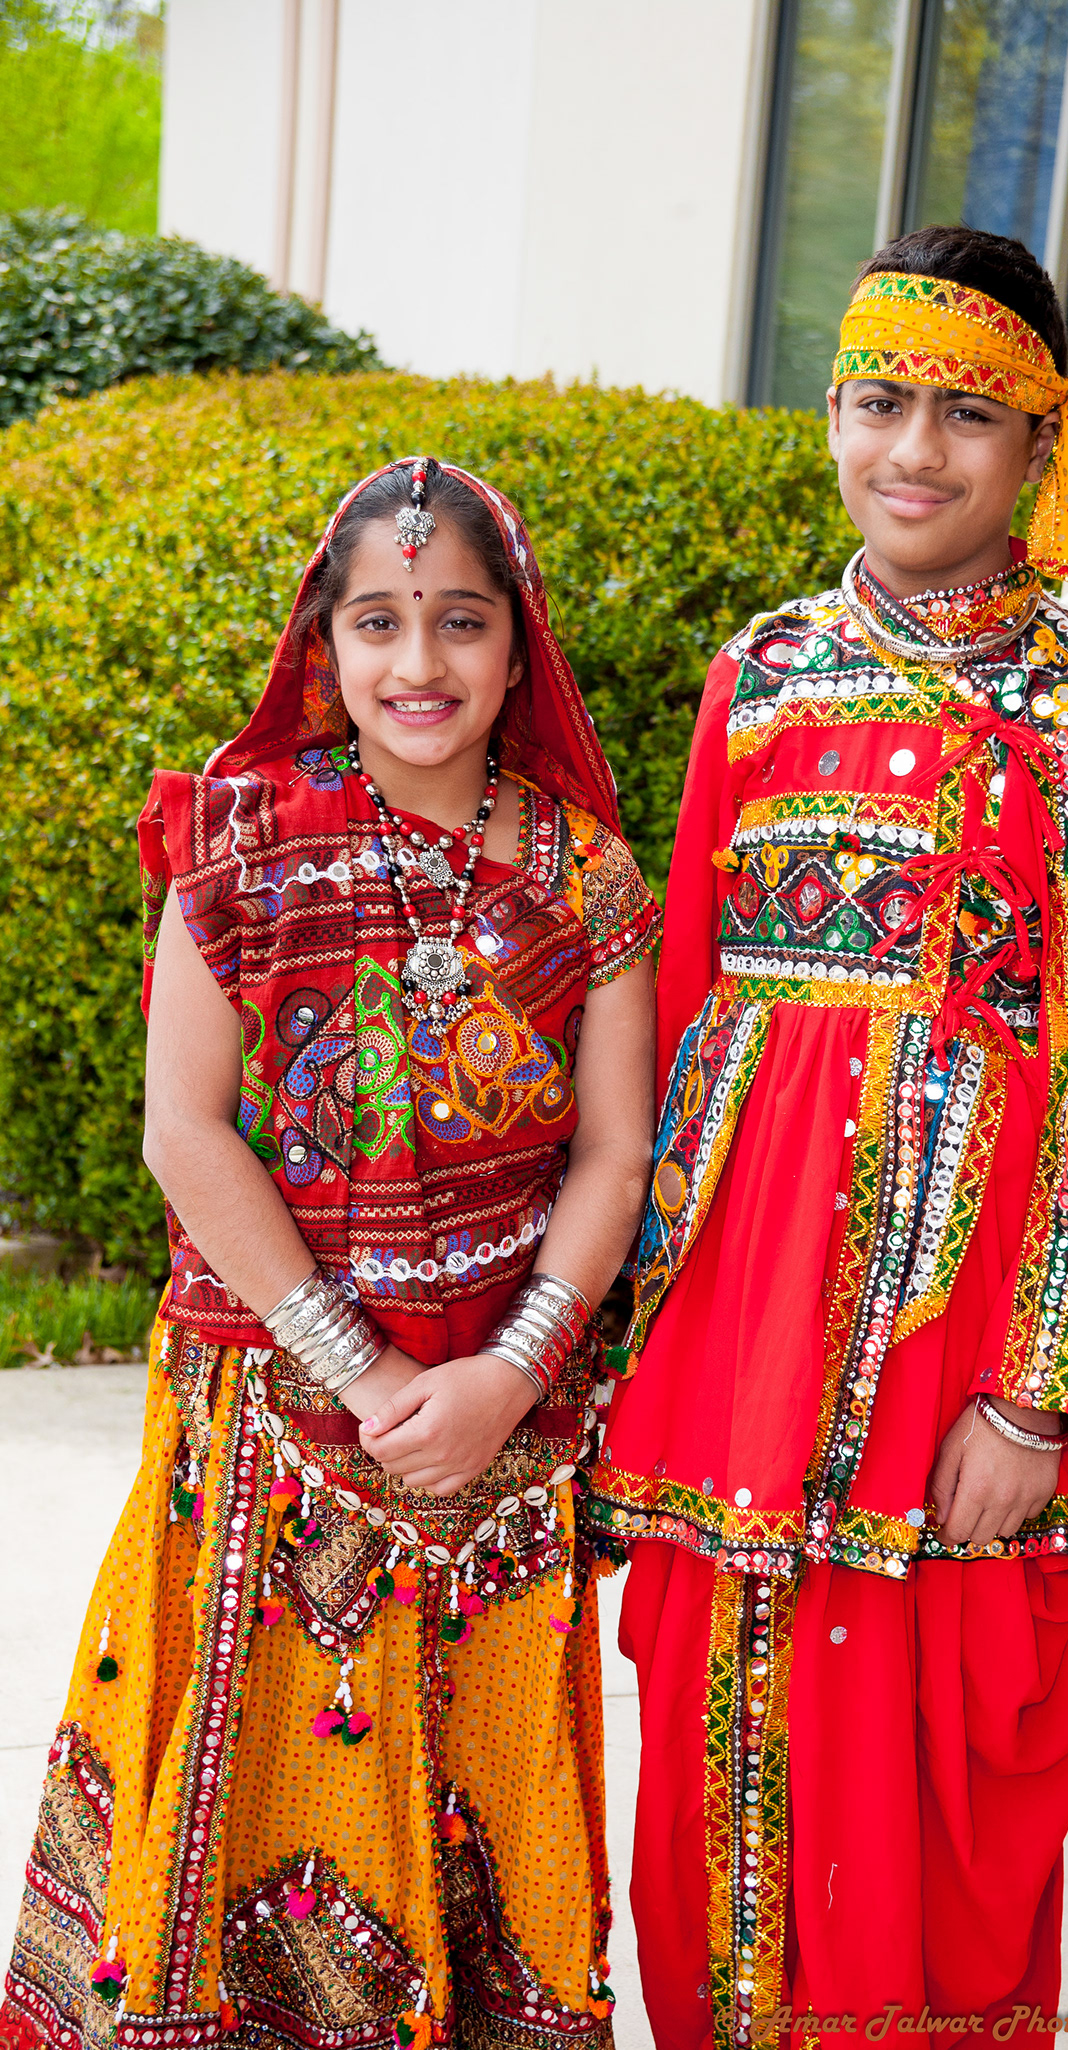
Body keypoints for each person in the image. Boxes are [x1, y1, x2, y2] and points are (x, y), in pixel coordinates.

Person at [592, 227, 1068, 2044]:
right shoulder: (756, 674)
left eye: (961, 414)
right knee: (716, 1749)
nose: (910, 451)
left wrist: (1037, 1394)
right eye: (875, 402)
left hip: (956, 1358)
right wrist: (622, 1329)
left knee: (929, 1780)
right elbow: (687, 1012)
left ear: (1037, 450)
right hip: (735, 1334)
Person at [1, 458, 659, 2050]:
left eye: (460, 622)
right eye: (379, 621)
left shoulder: (587, 873)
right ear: (325, 639)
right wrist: (362, 1369)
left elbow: (615, 1149)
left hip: (503, 1440)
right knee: (243, 1832)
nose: (418, 665)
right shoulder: (234, 844)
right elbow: (188, 1131)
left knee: (482, 1827)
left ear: (520, 648)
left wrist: (509, 1374)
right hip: (269, 1429)